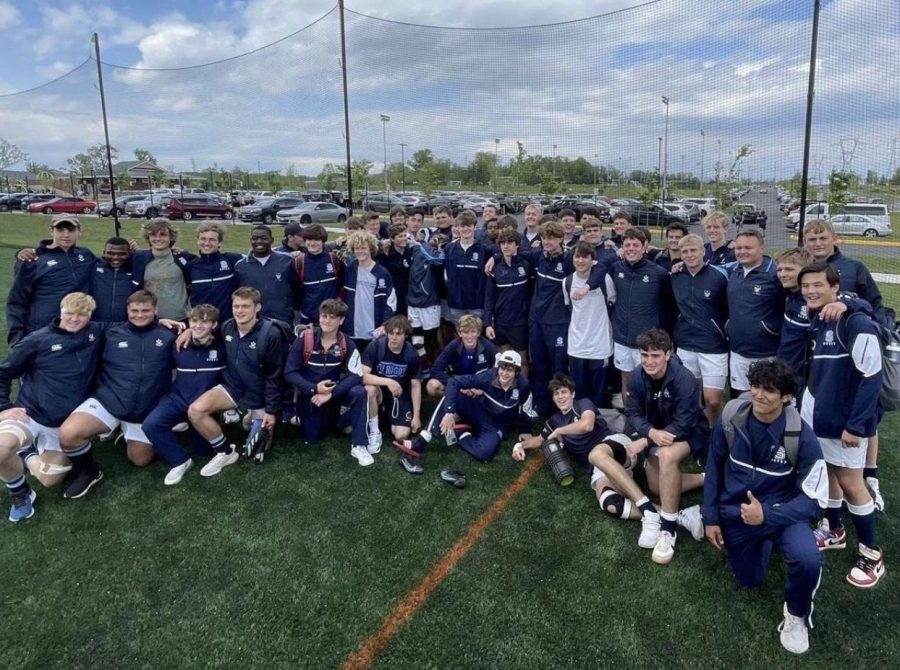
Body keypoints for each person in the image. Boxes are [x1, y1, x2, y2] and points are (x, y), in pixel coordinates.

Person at [702, 358, 826, 654]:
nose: (758, 395)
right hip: (738, 515)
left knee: (808, 559)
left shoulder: (802, 436)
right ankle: (762, 543)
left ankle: (797, 615)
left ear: (786, 396)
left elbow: (817, 502)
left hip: (782, 515)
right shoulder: (732, 417)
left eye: (769, 390)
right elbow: (714, 467)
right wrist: (710, 517)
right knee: (750, 579)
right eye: (756, 386)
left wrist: (768, 514)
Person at [799, 262, 885, 588]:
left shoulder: (856, 322)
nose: (810, 291)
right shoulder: (820, 318)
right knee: (830, 473)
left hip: (845, 423)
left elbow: (871, 377)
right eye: (806, 285)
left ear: (835, 288)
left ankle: (872, 554)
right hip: (820, 416)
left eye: (818, 285)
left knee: (851, 481)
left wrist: (858, 425)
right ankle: (834, 530)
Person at [57, 291, 179, 498]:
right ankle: (90, 472)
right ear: (127, 310)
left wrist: (182, 331)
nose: (139, 315)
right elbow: (73, 325)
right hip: (109, 400)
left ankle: (124, 431)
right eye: (134, 311)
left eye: (146, 311)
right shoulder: (109, 331)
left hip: (146, 408)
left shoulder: (168, 335)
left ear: (156, 310)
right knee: (69, 434)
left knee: (140, 460)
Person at [803, 219, 886, 511]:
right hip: (818, 365)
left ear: (834, 238)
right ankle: (833, 515)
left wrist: (850, 303)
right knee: (826, 455)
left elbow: (876, 307)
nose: (817, 243)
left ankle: (870, 477)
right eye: (811, 239)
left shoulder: (854, 267)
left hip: (849, 361)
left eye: (822, 237)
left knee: (863, 421)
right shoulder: (804, 268)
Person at [0, 293, 104, 521]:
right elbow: (3, 372)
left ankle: (26, 453)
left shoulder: (95, 332)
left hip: (64, 424)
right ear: (60, 311)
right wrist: (3, 407)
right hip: (31, 414)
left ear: (90, 316)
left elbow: (134, 326)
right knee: (1, 448)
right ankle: (21, 493)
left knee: (50, 478)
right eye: (69, 313)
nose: (74, 319)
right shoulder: (36, 340)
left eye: (81, 314)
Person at [624, 329, 708, 565]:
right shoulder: (636, 376)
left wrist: (647, 440)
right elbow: (632, 412)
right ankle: (706, 478)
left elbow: (684, 424)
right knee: (657, 487)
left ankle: (668, 529)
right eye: (644, 355)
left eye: (655, 355)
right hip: (656, 433)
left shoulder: (685, 379)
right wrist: (650, 433)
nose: (649, 361)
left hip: (688, 433)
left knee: (667, 455)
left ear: (668, 354)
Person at [186, 287, 288, 478]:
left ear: (257, 308)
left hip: (260, 395)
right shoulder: (226, 327)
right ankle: (225, 452)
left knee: (260, 447)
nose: (239, 310)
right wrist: (187, 332)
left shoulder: (271, 334)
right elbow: (203, 332)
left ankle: (253, 415)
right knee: (195, 411)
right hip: (232, 388)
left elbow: (274, 376)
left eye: (245, 306)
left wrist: (272, 411)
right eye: (236, 306)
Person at [515, 221, 606, 416]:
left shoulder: (568, 260)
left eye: (551, 238)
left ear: (559, 239)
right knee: (539, 366)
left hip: (558, 323)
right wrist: (494, 258)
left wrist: (587, 286)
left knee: (558, 369)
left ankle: (562, 406)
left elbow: (599, 267)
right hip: (536, 321)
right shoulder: (539, 255)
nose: (546, 242)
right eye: (544, 238)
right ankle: (541, 406)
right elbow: (514, 252)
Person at [394, 350, 535, 472]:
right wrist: (449, 413)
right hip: (479, 411)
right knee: (457, 397)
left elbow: (526, 408)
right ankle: (421, 442)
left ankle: (459, 432)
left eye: (509, 370)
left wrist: (525, 429)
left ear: (517, 372)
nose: (504, 373)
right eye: (502, 368)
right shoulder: (487, 377)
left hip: (497, 425)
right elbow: (455, 382)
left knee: (484, 454)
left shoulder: (523, 386)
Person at [142, 304, 227, 486]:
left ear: (214, 324)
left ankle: (199, 429)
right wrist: (160, 320)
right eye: (194, 321)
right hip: (177, 398)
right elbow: (146, 326)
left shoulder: (224, 344)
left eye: (204, 322)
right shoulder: (178, 342)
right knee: (151, 425)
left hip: (205, 405)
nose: (197, 326)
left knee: (203, 450)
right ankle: (180, 460)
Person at [513, 373, 633, 495]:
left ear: (573, 394)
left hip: (611, 445)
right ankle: (649, 509)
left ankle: (635, 490)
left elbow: (587, 425)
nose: (560, 397)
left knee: (600, 455)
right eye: (556, 394)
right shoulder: (554, 420)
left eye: (564, 392)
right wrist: (519, 446)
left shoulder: (583, 404)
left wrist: (560, 431)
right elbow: (539, 439)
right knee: (609, 502)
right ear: (553, 398)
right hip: (596, 466)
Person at [283, 299, 370, 466]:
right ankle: (340, 422)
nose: (326, 321)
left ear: (341, 320)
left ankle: (359, 444)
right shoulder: (304, 339)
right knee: (314, 437)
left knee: (360, 392)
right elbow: (289, 372)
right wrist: (314, 388)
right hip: (311, 396)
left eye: (332, 317)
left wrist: (331, 393)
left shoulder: (347, 342)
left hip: (333, 394)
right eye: (324, 316)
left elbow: (357, 375)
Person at [6, 215, 95, 346]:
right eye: (60, 230)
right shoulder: (33, 259)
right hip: (44, 330)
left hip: (78, 327)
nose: (66, 235)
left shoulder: (85, 254)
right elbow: (17, 300)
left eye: (71, 230)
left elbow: (110, 264)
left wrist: (130, 253)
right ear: (51, 231)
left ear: (79, 231)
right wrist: (17, 338)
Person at [670, 234, 729, 426]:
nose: (689, 255)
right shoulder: (675, 276)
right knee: (688, 395)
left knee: (712, 400)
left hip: (713, 345)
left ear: (703, 251)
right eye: (685, 252)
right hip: (685, 344)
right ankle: (695, 432)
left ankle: (716, 434)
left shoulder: (720, 276)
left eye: (693, 250)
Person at [606, 229, 673, 392]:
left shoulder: (659, 274)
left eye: (635, 245)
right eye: (627, 245)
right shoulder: (616, 269)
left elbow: (668, 307)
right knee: (626, 379)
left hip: (648, 340)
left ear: (644, 247)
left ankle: (651, 417)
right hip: (622, 337)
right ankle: (630, 416)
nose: (631, 248)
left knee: (651, 381)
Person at [726, 230, 783, 398]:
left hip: (766, 353)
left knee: (764, 398)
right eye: (739, 248)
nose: (742, 251)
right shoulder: (733, 271)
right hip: (737, 351)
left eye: (748, 248)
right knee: (739, 399)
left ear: (761, 249)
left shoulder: (775, 274)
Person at [361, 315, 422, 460]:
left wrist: (416, 416)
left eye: (398, 334)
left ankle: (382, 414)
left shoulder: (412, 353)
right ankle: (375, 431)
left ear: (406, 335)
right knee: (370, 389)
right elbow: (362, 377)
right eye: (391, 333)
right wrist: (388, 381)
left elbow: (415, 385)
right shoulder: (376, 346)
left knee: (401, 434)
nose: (393, 337)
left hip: (399, 394)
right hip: (380, 390)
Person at [562, 241, 612, 408]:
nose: (581, 261)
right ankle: (579, 424)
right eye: (577, 256)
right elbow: (569, 307)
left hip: (600, 345)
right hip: (577, 346)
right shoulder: (566, 282)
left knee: (599, 393)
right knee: (579, 392)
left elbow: (612, 302)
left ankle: (598, 427)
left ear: (593, 259)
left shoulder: (605, 280)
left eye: (585, 257)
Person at [484, 229, 532, 380]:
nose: (506, 246)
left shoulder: (525, 263)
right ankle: (507, 389)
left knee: (522, 360)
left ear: (517, 245)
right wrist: (488, 323)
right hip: (500, 322)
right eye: (503, 243)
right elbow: (489, 297)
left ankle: (523, 390)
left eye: (510, 243)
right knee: (504, 360)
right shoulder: (495, 267)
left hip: (520, 322)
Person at [341, 230, 397, 353]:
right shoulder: (348, 271)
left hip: (374, 331)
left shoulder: (382, 273)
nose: (360, 251)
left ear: (371, 249)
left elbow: (391, 302)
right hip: (352, 331)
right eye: (357, 248)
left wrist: (384, 324)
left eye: (363, 248)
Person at [234, 225, 300, 326]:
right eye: (255, 238)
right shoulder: (240, 266)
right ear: (250, 240)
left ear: (272, 240)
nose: (259, 241)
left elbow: (297, 289)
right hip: (254, 323)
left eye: (264, 238)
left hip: (283, 320)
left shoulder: (286, 261)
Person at [131, 218, 193, 321]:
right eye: (153, 235)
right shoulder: (139, 258)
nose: (158, 238)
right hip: (150, 320)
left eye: (163, 235)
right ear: (148, 237)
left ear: (171, 237)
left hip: (180, 319)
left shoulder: (184, 257)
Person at [427, 314, 497, 397]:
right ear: (459, 333)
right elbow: (436, 369)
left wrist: (484, 387)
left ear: (478, 332)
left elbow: (498, 371)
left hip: (480, 383)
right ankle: (454, 397)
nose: (469, 336)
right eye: (465, 332)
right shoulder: (453, 346)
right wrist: (457, 386)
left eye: (473, 332)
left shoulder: (489, 347)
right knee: (431, 386)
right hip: (459, 382)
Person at [186, 223, 244, 321]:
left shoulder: (231, 260)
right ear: (198, 241)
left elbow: (255, 256)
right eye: (203, 239)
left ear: (220, 243)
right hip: (202, 323)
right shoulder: (191, 266)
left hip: (228, 322)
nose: (207, 243)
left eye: (212, 239)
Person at [405, 232, 445, 371]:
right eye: (435, 238)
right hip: (413, 302)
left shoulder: (436, 254)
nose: (437, 240)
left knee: (431, 339)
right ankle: (423, 366)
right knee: (417, 339)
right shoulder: (416, 250)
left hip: (429, 304)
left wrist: (423, 244)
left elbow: (436, 259)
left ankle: (435, 368)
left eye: (440, 239)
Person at [443, 211, 487, 325]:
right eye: (462, 226)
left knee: (475, 335)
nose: (466, 229)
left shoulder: (484, 250)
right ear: (458, 227)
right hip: (456, 304)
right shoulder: (449, 248)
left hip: (476, 305)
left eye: (469, 226)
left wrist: (493, 259)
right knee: (460, 334)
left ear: (475, 227)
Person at [293, 224, 342, 326]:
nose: (312, 243)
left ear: (323, 241)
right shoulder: (299, 262)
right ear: (305, 241)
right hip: (308, 317)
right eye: (309, 240)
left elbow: (342, 285)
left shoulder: (334, 259)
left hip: (331, 317)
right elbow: (295, 291)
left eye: (316, 240)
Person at [90, 237, 135, 323]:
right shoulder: (94, 266)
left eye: (121, 254)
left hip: (126, 326)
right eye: (110, 253)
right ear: (104, 253)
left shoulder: (136, 268)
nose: (115, 257)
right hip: (96, 324)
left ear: (129, 254)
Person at [377, 223, 414, 317]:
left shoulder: (409, 252)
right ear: (392, 239)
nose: (404, 238)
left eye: (405, 235)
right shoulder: (386, 255)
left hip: (408, 295)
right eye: (400, 236)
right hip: (394, 296)